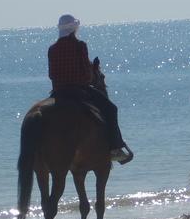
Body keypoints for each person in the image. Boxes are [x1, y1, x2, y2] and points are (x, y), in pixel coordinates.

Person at [48, 14, 133, 164]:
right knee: (111, 109)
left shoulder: (52, 49)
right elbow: (87, 75)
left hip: (58, 92)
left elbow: (51, 75)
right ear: (74, 29)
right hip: (79, 90)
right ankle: (115, 148)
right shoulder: (80, 45)